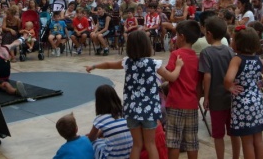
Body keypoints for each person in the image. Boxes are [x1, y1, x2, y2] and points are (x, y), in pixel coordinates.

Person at [85, 30, 185, 159]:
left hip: (131, 110)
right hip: (149, 110)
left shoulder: (127, 63)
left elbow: (108, 64)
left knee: (137, 145)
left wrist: (93, 66)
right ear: (147, 45)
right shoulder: (154, 64)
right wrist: (178, 66)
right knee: (150, 144)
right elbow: (172, 77)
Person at [224, 26, 263, 159]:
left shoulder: (237, 59)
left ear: (238, 43)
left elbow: (229, 79)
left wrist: (230, 87)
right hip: (257, 101)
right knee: (258, 139)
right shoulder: (258, 59)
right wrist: (258, 85)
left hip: (242, 104)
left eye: (233, 39)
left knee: (247, 142)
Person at [199, 17, 240, 159]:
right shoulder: (229, 51)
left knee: (218, 135)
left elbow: (207, 76)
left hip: (216, 99)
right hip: (231, 97)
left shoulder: (206, 53)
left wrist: (206, 96)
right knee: (234, 132)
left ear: (209, 34)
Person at [164, 20, 201, 159]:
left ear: (182, 37)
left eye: (176, 35)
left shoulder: (176, 55)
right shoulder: (196, 58)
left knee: (173, 141)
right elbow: (199, 83)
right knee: (192, 140)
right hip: (191, 103)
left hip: (175, 102)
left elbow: (168, 75)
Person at [85, 85, 132, 159]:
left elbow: (91, 138)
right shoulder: (125, 112)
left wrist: (94, 135)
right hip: (130, 154)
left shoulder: (100, 119)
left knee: (94, 143)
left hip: (113, 156)